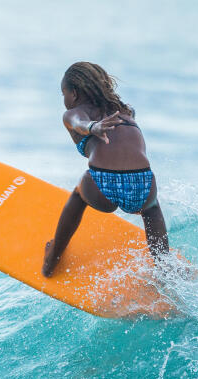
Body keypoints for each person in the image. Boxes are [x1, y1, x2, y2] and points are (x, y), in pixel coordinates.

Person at [42, 61, 170, 277]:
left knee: (77, 195)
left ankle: (52, 258)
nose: (64, 100)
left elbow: (77, 122)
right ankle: (165, 268)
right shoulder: (126, 111)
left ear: (73, 94)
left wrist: (93, 127)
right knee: (151, 209)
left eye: (63, 94)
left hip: (102, 185)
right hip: (143, 184)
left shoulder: (74, 113)